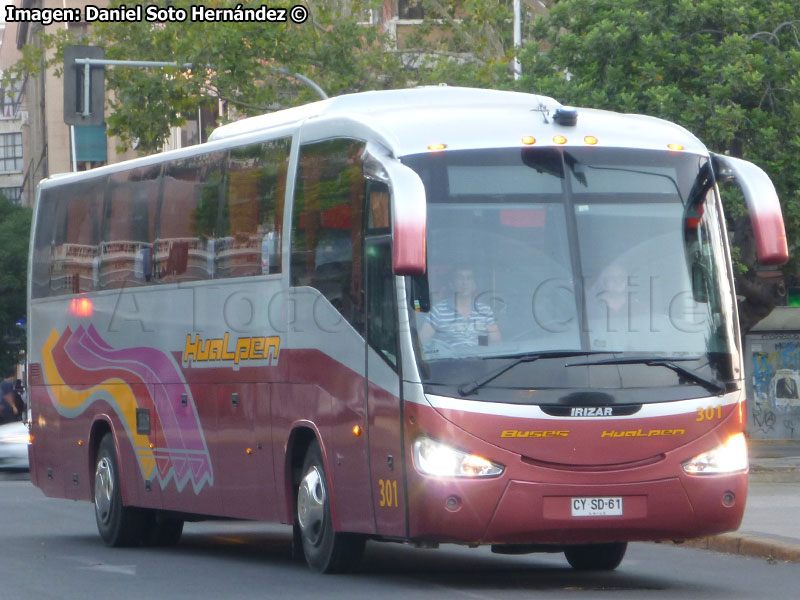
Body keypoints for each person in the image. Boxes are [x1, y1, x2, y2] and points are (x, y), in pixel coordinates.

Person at [419, 265, 501, 352]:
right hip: (448, 362)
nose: (465, 283)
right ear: (452, 284)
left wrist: (482, 348)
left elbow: (496, 342)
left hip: (481, 361)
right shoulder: (438, 311)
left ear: (474, 285)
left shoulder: (485, 310)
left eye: (469, 278)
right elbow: (421, 342)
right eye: (460, 278)